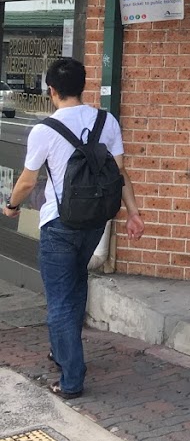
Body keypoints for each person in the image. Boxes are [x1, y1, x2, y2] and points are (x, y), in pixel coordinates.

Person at [2, 57, 144, 398]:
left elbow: (26, 181)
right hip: (95, 220)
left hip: (59, 223)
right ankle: (61, 351)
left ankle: (71, 379)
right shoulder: (106, 121)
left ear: (51, 90)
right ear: (83, 86)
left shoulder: (45, 130)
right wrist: (134, 214)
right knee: (75, 284)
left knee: (60, 299)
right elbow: (120, 174)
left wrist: (11, 206)